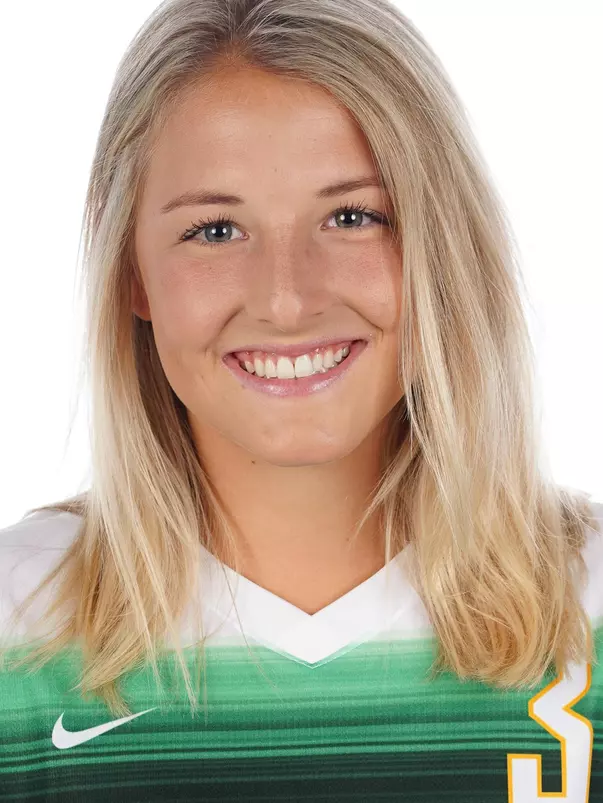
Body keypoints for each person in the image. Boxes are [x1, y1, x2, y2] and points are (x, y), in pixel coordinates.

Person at [0, 0, 601, 800]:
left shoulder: (587, 608)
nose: (286, 300)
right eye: (215, 230)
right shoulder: (17, 628)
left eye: (352, 217)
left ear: (443, 245)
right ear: (131, 271)